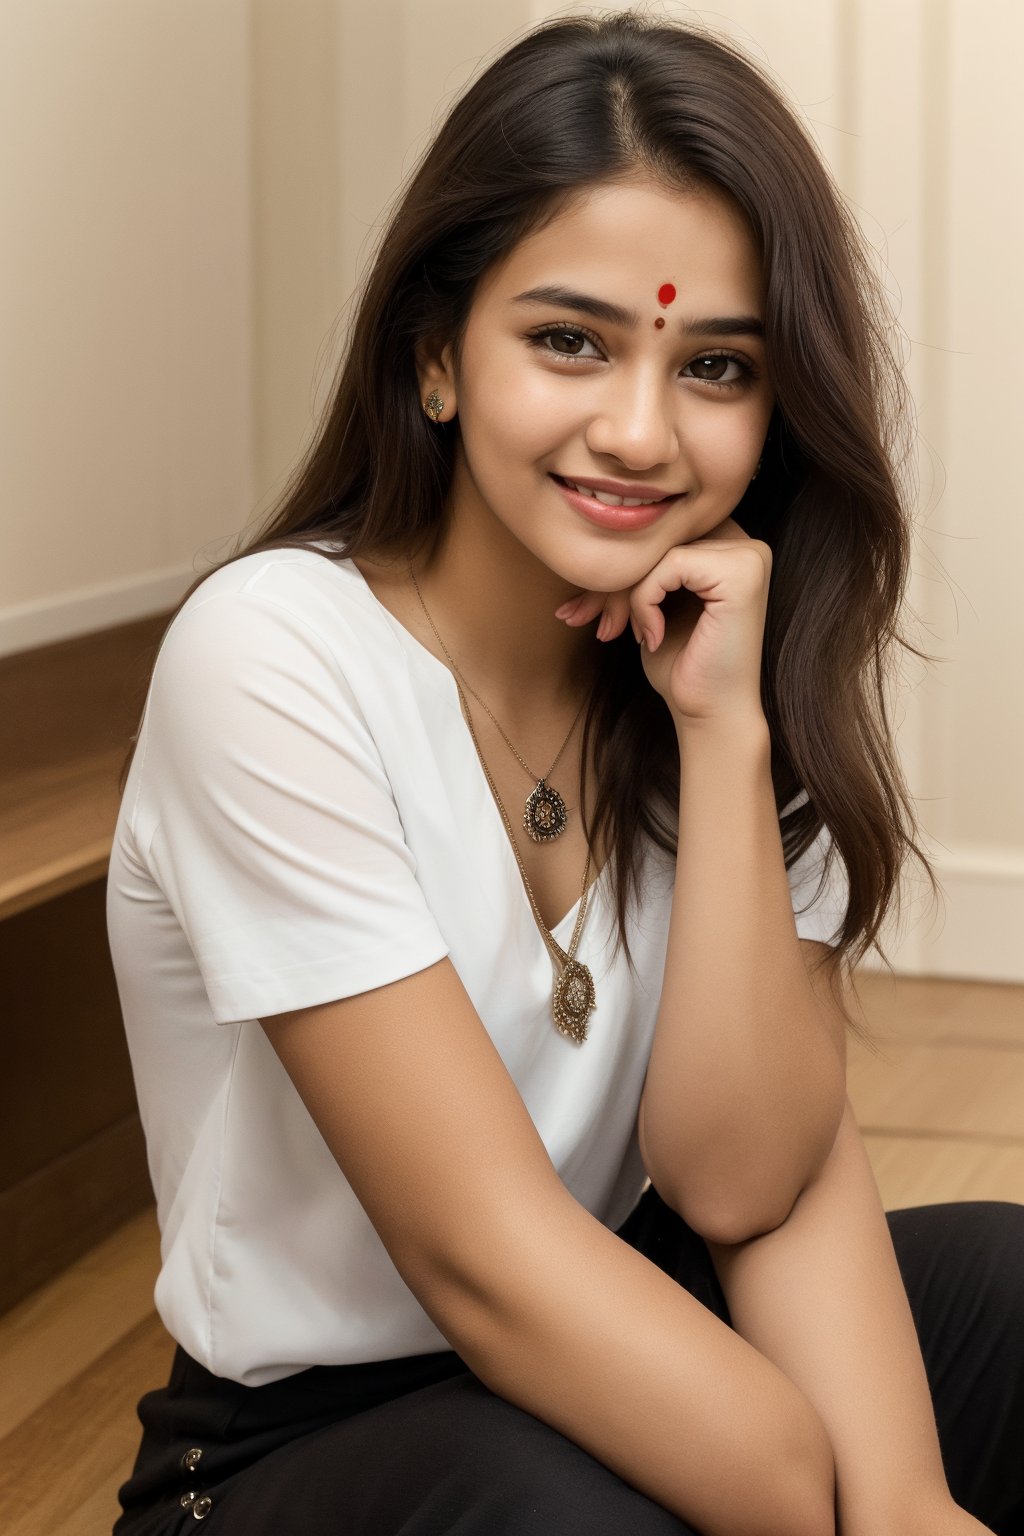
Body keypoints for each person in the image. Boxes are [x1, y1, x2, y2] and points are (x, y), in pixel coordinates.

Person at [106, 11, 1024, 1535]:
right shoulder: (270, 656)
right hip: (292, 1449)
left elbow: (751, 1184)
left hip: (613, 1311)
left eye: (716, 363)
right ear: (437, 358)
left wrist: (726, 740)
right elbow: (488, 1263)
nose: (640, 430)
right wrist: (814, 1495)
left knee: (1002, 1280)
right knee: (626, 1503)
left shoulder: (722, 652)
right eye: (569, 339)